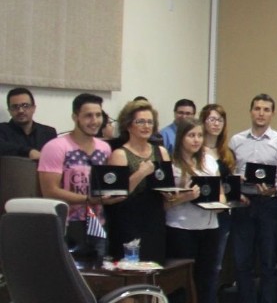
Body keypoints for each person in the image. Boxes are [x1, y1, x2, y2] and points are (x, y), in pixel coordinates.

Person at [38, 93, 123, 258]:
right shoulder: (55, 147)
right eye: (88, 116)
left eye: (98, 115)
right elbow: (49, 191)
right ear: (75, 117)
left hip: (97, 223)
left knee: (99, 271)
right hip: (66, 224)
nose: (95, 121)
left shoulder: (105, 148)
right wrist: (88, 199)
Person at [228, 94, 277, 303]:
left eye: (266, 109)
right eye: (257, 109)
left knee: (269, 261)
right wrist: (236, 183)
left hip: (268, 204)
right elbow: (230, 173)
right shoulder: (236, 140)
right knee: (242, 261)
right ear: (250, 112)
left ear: (273, 114)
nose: (261, 113)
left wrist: (274, 190)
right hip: (242, 203)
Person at [163, 118, 224, 303]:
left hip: (210, 227)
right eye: (191, 135)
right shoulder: (171, 164)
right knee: (182, 282)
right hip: (181, 228)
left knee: (207, 279)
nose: (196, 140)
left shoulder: (209, 161)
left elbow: (221, 192)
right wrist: (185, 197)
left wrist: (221, 204)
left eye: (199, 135)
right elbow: (163, 204)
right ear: (181, 137)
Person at [104, 100, 172, 263]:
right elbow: (116, 195)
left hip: (155, 218)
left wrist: (170, 193)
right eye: (140, 121)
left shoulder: (161, 151)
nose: (146, 126)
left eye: (150, 122)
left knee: (155, 266)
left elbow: (167, 184)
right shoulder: (120, 154)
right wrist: (140, 173)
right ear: (128, 125)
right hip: (129, 219)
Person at [199, 103, 235, 295]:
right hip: (201, 212)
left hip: (223, 213)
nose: (216, 124)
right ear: (203, 122)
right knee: (203, 264)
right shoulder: (197, 150)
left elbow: (228, 183)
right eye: (211, 119)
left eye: (220, 120)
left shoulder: (226, 152)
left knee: (217, 265)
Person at [0, 87, 57, 159]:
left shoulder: (48, 133)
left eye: (25, 106)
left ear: (33, 108)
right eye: (15, 107)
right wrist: (29, 152)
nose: (20, 110)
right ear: (9, 111)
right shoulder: (2, 130)